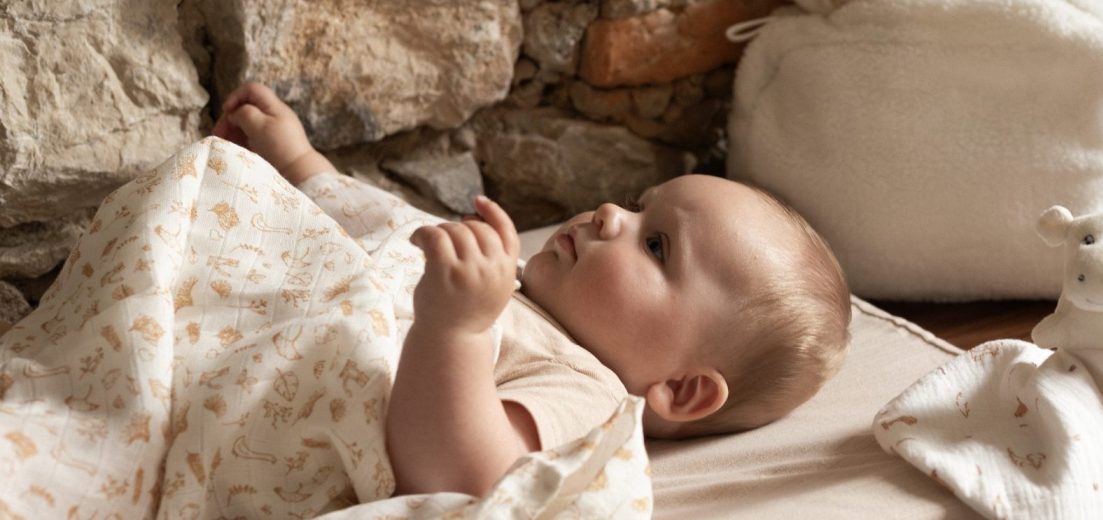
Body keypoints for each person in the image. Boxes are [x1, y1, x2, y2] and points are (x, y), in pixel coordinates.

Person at [213, 83, 852, 497]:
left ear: (680, 389)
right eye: (636, 205)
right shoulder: (504, 274)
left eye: (655, 244)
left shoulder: (587, 390)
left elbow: (459, 473)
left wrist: (454, 331)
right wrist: (299, 164)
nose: (609, 213)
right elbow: (388, 225)